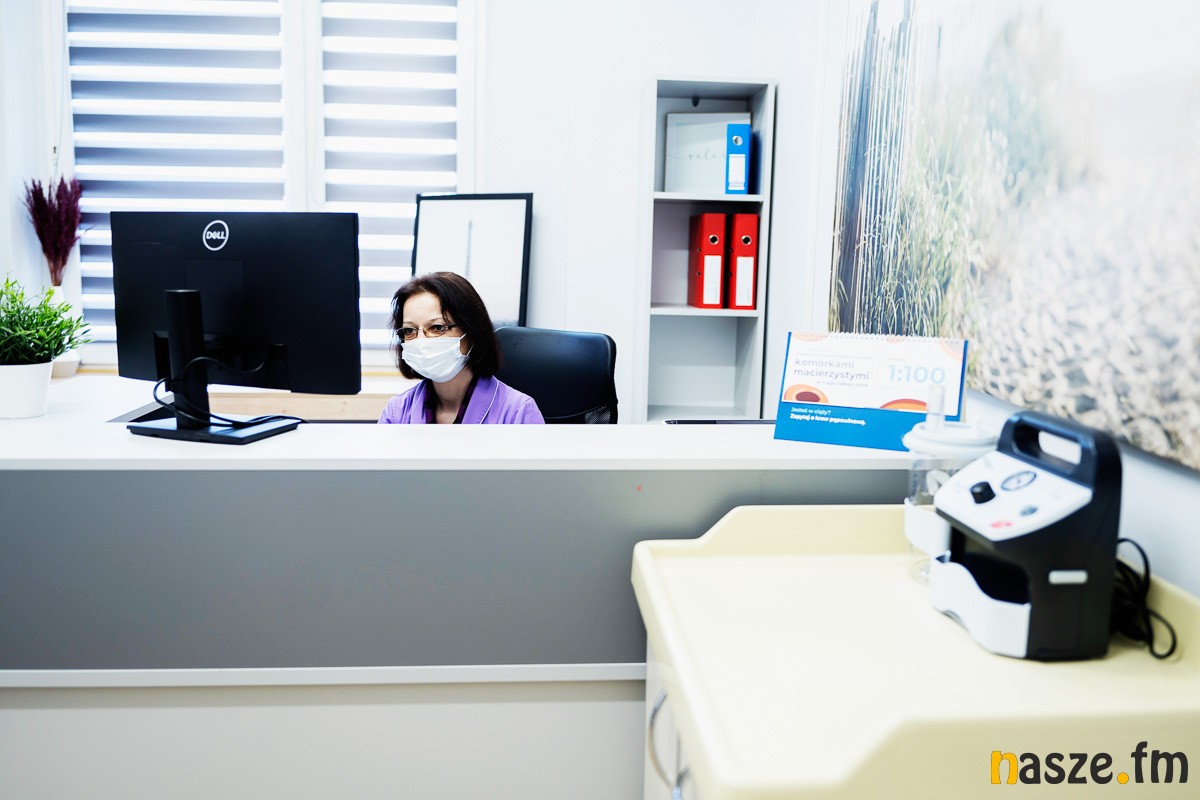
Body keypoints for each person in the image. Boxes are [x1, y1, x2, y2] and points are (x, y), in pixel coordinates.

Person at [378, 271, 545, 424]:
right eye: (409, 330)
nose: (420, 341)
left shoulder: (518, 412)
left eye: (437, 327)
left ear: (471, 332)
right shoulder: (396, 412)